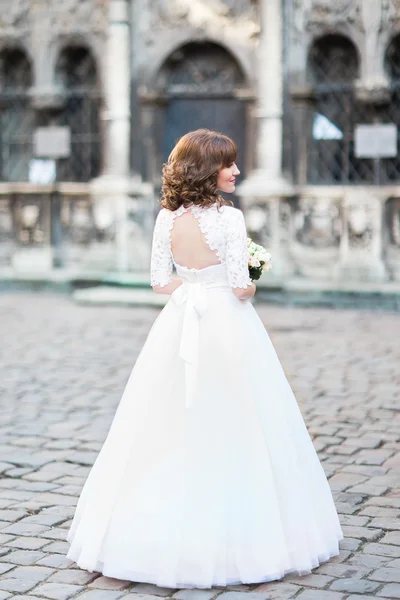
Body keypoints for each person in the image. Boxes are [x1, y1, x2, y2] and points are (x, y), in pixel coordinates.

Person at [66, 129, 343, 589]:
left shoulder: (166, 218)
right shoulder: (229, 220)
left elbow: (159, 281)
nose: (236, 171)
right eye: (228, 164)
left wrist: (193, 289)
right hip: (228, 325)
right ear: (205, 169)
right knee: (240, 417)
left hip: (179, 321)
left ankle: (142, 530)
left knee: (166, 419)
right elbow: (239, 287)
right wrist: (252, 276)